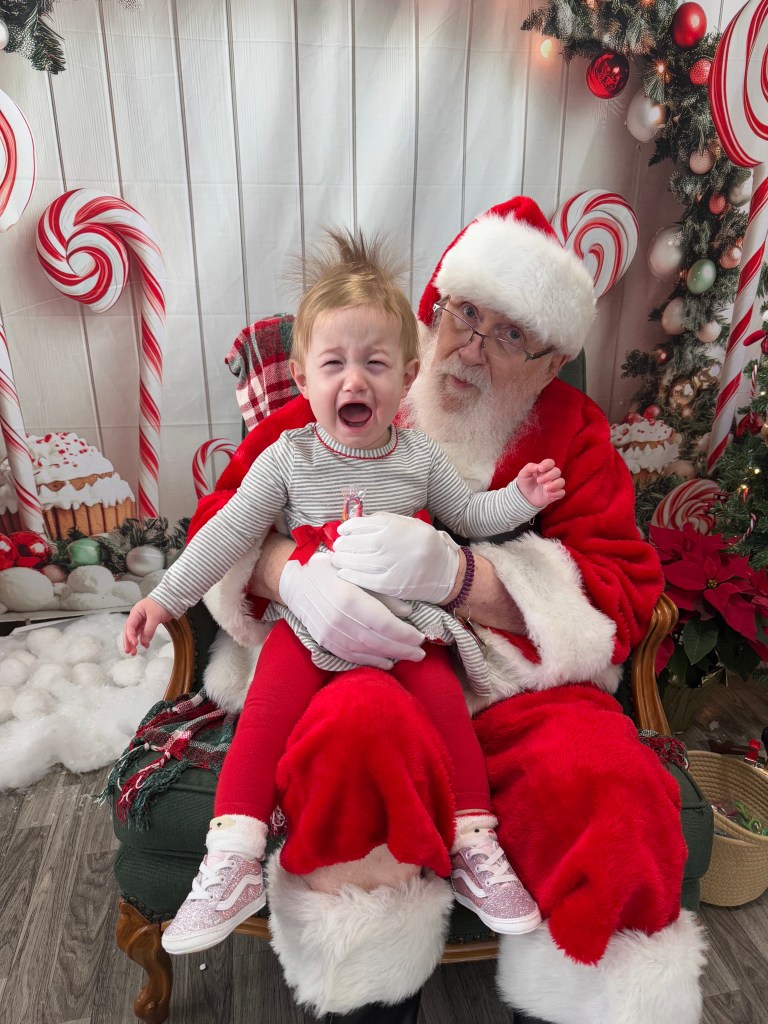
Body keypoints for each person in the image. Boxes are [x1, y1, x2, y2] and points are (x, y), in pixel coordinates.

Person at [185, 197, 707, 1024]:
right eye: (466, 313)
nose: (472, 346)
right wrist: (291, 574)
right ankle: (369, 993)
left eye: (510, 334)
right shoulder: (361, 390)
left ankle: (588, 1002)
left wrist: (463, 577)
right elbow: (222, 516)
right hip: (356, 667)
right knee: (356, 738)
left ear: (552, 361)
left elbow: (620, 592)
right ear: (434, 311)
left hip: (515, 693)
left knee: (610, 791)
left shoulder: (574, 436)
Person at [124, 230, 566, 954]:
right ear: (303, 379)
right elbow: (227, 532)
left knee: (446, 707)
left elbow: (471, 517)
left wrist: (519, 497)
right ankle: (232, 858)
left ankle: (473, 845)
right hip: (309, 625)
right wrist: (164, 599)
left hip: (406, 624)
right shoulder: (288, 457)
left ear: (409, 376)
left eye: (375, 364)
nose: (353, 381)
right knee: (265, 712)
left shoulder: (419, 455)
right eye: (334, 364)